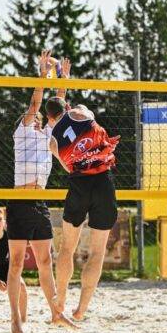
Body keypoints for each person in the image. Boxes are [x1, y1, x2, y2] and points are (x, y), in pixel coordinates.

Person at [7, 50, 76, 333]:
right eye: (33, 116)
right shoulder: (22, 132)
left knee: (45, 261)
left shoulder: (49, 135)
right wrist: (42, 75)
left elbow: (58, 107)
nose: (37, 117)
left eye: (41, 118)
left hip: (39, 203)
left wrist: (63, 80)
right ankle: (15, 319)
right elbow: (37, 102)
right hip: (19, 203)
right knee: (16, 264)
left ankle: (56, 313)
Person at [46, 96, 120, 321]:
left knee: (67, 248)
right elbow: (82, 117)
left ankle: (60, 299)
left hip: (79, 185)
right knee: (98, 251)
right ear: (67, 106)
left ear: (49, 118)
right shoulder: (82, 112)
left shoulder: (52, 143)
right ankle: (81, 309)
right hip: (103, 182)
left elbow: (69, 167)